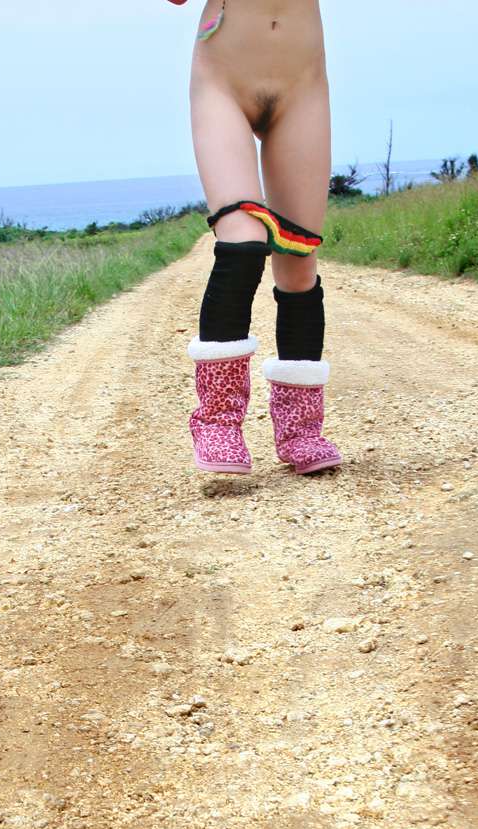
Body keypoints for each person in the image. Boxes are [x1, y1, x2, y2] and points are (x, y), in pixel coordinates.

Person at [169, 0, 342, 476]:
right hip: (223, 83)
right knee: (243, 241)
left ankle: (301, 431)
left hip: (303, 87)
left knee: (299, 263)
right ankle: (218, 421)